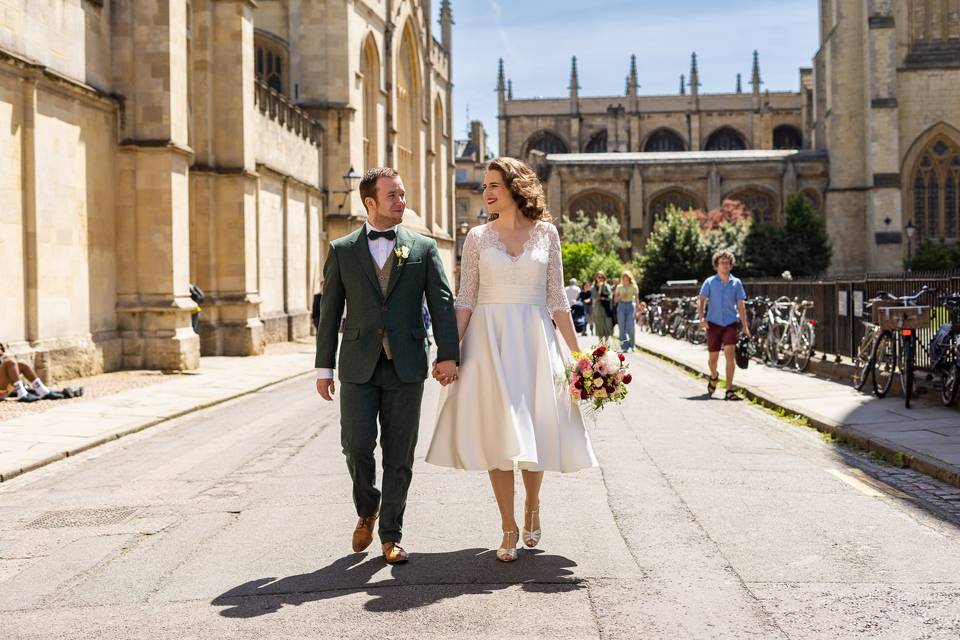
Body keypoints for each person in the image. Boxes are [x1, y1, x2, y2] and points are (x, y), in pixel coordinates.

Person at [427, 157, 597, 563]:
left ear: (516, 188)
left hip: (535, 340)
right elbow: (465, 299)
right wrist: (449, 352)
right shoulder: (476, 238)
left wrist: (579, 357)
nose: (485, 193)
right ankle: (507, 526)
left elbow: (556, 299)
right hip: (489, 343)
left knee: (535, 428)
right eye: (485, 186)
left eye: (493, 186)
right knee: (497, 434)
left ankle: (532, 505)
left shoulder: (548, 235)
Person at [314, 167, 460, 565]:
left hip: (407, 365)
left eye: (403, 193)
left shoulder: (423, 248)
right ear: (370, 202)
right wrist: (323, 367)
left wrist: (449, 354)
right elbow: (330, 313)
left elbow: (442, 303)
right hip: (358, 365)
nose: (402, 201)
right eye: (393, 195)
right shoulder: (342, 250)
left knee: (400, 453)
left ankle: (391, 535)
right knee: (355, 446)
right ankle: (368, 507)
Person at [697, 249, 750, 400]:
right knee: (713, 359)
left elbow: (741, 305)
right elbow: (701, 300)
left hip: (730, 323)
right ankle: (714, 376)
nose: (725, 265)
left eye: (727, 263)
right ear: (717, 265)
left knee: (730, 354)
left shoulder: (736, 283)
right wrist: (702, 318)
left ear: (731, 265)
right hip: (713, 324)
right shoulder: (709, 282)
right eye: (722, 263)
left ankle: (729, 390)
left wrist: (745, 327)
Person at [614, 271, 639, 351]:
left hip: (630, 306)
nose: (625, 280)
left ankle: (632, 345)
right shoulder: (619, 287)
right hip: (621, 306)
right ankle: (624, 347)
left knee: (630, 327)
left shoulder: (634, 287)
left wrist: (637, 311)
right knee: (621, 328)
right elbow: (615, 300)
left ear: (629, 278)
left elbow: (637, 299)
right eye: (623, 278)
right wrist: (621, 296)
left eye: (626, 278)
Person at [589, 271, 614, 341]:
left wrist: (602, 297)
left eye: (602, 277)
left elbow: (610, 297)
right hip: (597, 310)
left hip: (606, 310)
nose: (601, 279)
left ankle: (606, 347)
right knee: (599, 329)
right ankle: (601, 347)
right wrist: (600, 289)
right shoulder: (593, 287)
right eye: (599, 277)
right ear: (596, 278)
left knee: (607, 328)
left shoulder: (607, 286)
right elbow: (594, 298)